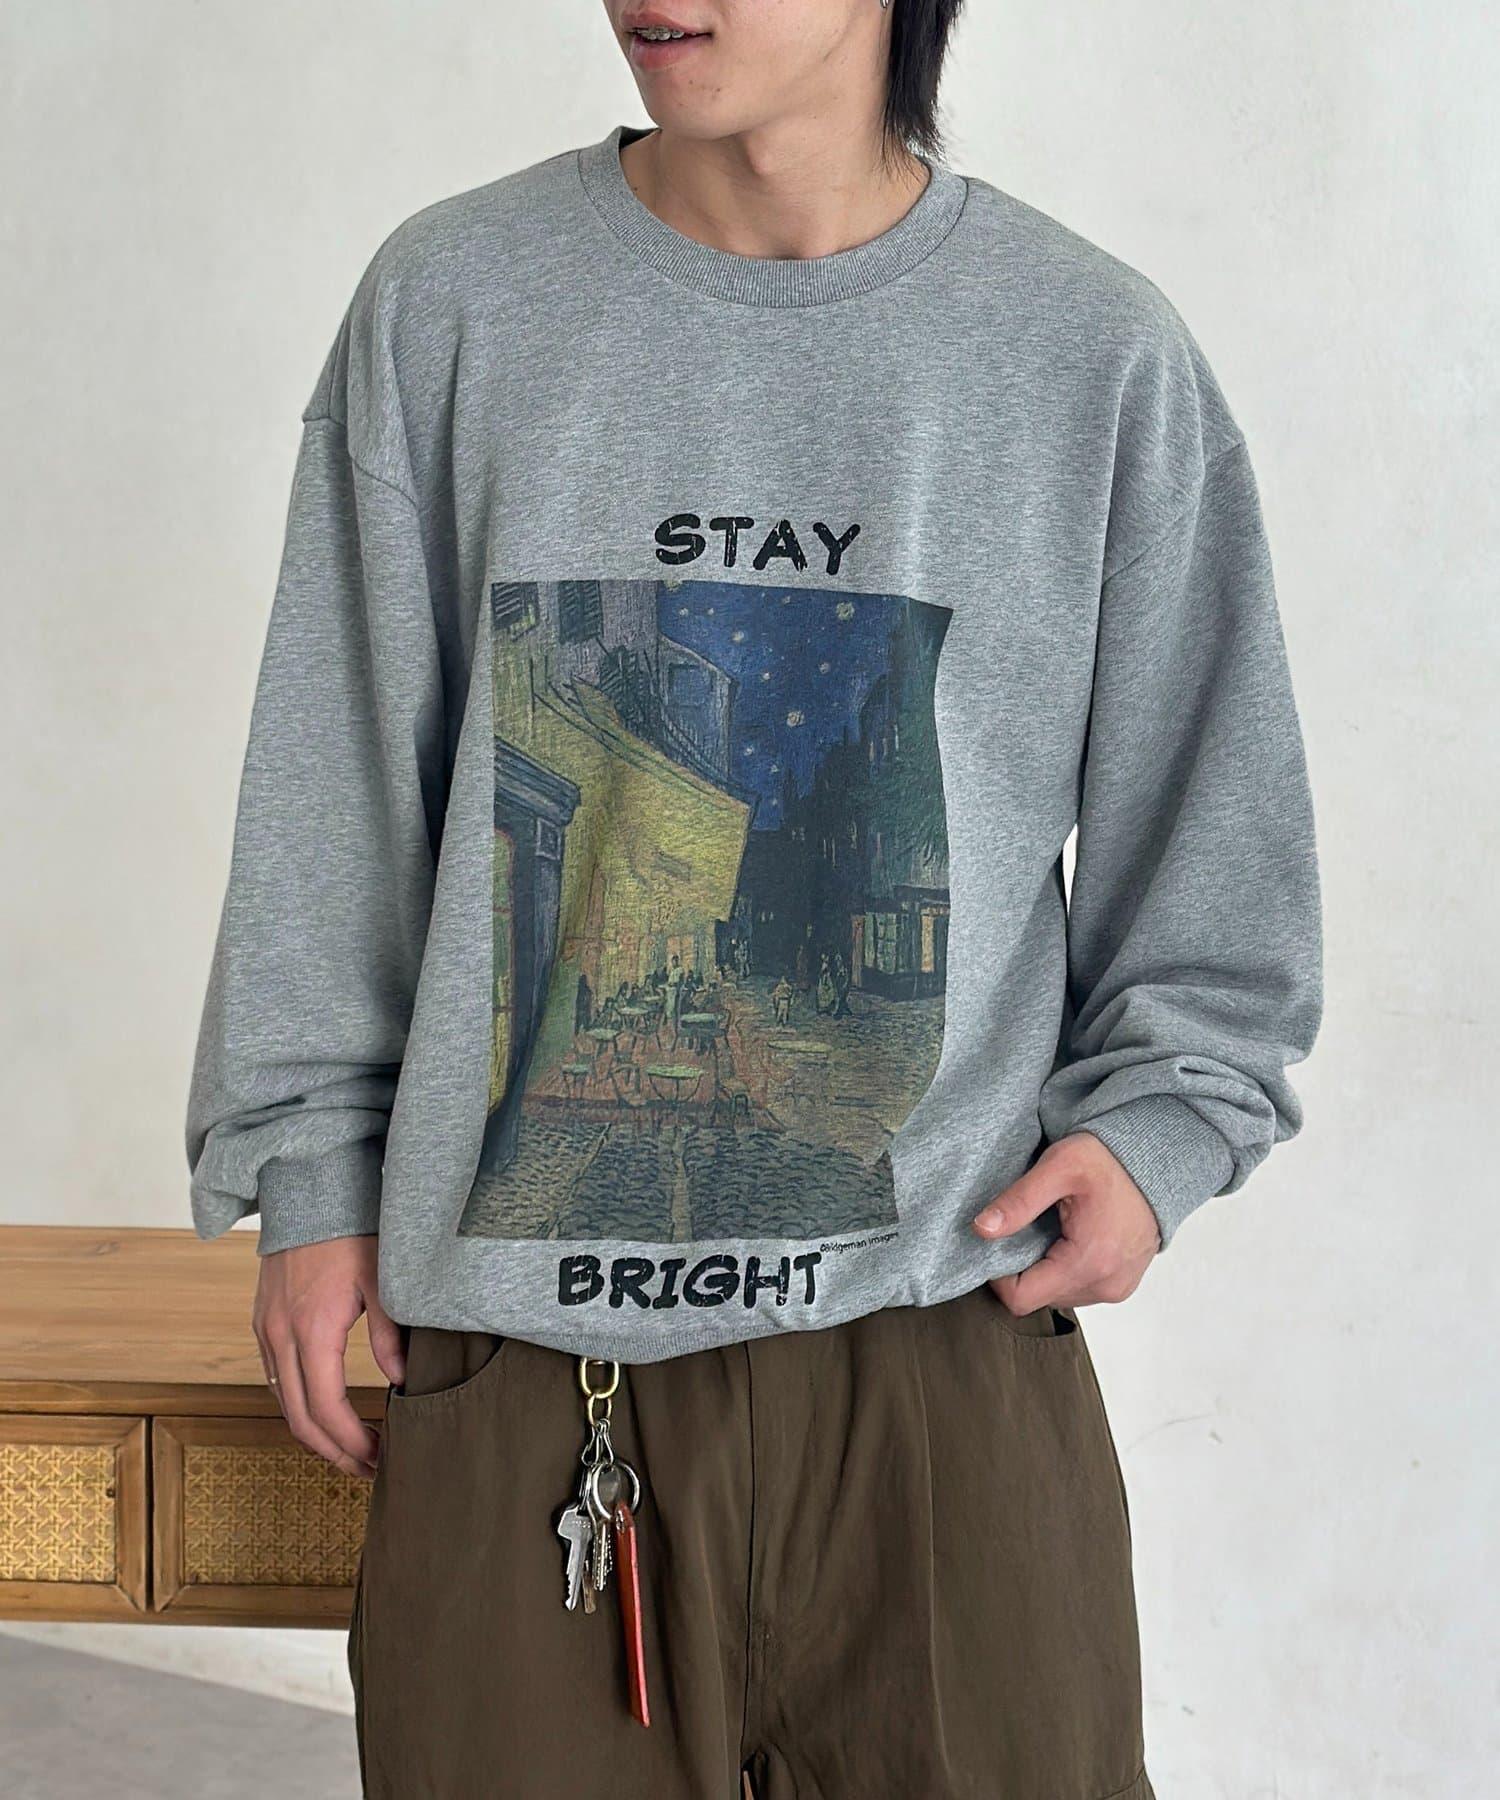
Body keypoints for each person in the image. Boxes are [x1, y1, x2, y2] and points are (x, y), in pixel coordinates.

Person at [185, 2, 1321, 1794]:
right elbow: (340, 778)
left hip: (944, 1362)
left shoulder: (1088, 353)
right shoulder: (455, 304)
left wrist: (1165, 1123)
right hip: (517, 1368)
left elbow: (1214, 827)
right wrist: (313, 1174)